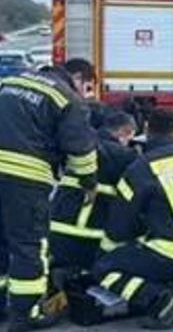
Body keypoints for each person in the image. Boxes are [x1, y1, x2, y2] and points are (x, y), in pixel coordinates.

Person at [0, 58, 99, 332]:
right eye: (86, 87)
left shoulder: (10, 82)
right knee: (28, 244)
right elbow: (82, 151)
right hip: (25, 177)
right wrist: (87, 183)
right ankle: (26, 312)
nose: (85, 94)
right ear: (77, 78)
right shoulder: (67, 99)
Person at [90, 108, 173, 329]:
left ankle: (162, 299)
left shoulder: (141, 168)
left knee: (105, 268)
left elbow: (120, 225)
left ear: (147, 131)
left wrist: (108, 251)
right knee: (170, 255)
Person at [47, 110, 139, 283]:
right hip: (91, 234)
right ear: (125, 131)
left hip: (58, 228)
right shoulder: (125, 156)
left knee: (64, 273)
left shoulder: (80, 146)